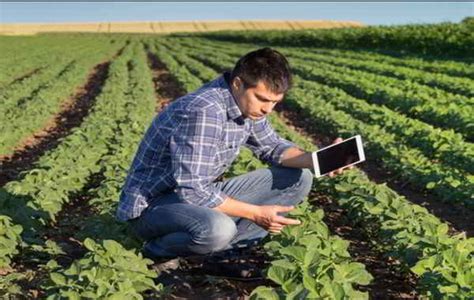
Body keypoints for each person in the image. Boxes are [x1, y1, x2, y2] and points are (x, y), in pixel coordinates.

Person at [116, 47, 347, 276]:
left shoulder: (247, 106)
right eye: (262, 99)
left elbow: (272, 147)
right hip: (151, 207)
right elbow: (193, 191)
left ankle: (225, 254)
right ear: (238, 84)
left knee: (298, 177)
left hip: (189, 196)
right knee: (218, 229)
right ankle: (157, 253)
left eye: (275, 102)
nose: (268, 109)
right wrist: (256, 213)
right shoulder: (205, 111)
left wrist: (319, 158)